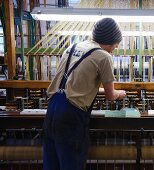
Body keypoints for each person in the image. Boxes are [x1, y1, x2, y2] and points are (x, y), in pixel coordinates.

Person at [43, 18, 126, 170]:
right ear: (110, 41)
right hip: (71, 117)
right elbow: (110, 95)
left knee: (51, 165)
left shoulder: (72, 48)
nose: (116, 47)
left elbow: (76, 86)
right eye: (116, 43)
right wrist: (121, 93)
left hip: (53, 110)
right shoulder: (104, 56)